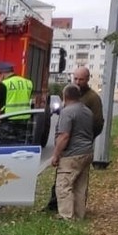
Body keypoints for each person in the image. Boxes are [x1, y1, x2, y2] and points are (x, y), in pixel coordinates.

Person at [46, 67, 103, 210]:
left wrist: (83, 138)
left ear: (88, 79)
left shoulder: (92, 98)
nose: (77, 82)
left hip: (76, 147)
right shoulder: (70, 92)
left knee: (68, 183)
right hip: (71, 147)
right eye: (75, 78)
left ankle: (67, 215)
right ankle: (63, 208)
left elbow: (97, 123)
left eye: (81, 79)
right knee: (69, 181)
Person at [49, 82, 96, 220]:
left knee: (64, 185)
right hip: (87, 152)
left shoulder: (67, 112)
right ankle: (79, 214)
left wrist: (56, 155)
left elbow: (64, 136)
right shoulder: (87, 111)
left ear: (65, 96)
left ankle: (67, 217)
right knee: (80, 186)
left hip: (72, 155)